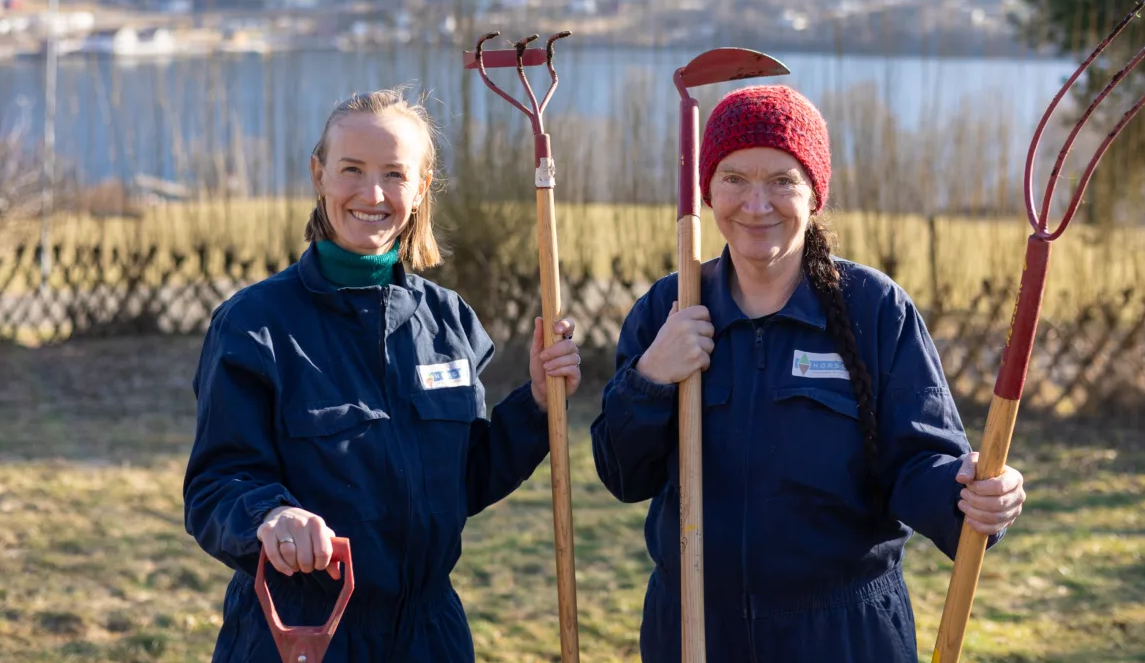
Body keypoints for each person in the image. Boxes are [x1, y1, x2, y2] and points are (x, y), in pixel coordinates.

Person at [590, 85, 1027, 662]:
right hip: (694, 628)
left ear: (814, 193)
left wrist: (972, 495)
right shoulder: (670, 307)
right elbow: (623, 473)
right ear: (707, 190)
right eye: (734, 178)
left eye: (782, 180)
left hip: (842, 633)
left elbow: (921, 460)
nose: (756, 203)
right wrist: (650, 377)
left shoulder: (873, 308)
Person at [183, 88, 583, 662]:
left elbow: (463, 481)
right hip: (302, 636)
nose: (372, 194)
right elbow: (216, 486)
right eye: (351, 169)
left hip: (429, 637)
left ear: (421, 188)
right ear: (319, 175)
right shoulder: (255, 325)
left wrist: (538, 405)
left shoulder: (449, 322)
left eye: (394, 174)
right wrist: (271, 515)